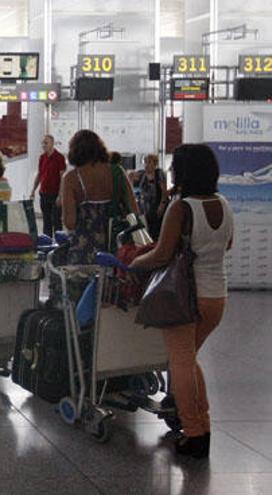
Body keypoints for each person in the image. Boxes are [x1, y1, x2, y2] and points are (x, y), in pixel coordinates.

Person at [130, 144, 233, 459]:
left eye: (175, 166)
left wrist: (134, 264)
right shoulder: (223, 203)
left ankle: (194, 435)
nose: (172, 171)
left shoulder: (181, 207)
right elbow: (226, 245)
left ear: (185, 171)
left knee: (181, 362)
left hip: (185, 297)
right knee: (189, 360)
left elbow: (162, 253)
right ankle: (202, 425)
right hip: (217, 296)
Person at [60, 130, 138, 265]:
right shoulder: (117, 171)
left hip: (84, 249)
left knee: (82, 284)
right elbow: (134, 211)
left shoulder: (71, 178)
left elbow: (70, 222)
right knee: (114, 282)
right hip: (116, 246)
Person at [30, 135, 67, 237]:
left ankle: (60, 245)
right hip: (44, 193)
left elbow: (62, 177)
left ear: (52, 143)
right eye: (43, 143)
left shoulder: (59, 157)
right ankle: (47, 243)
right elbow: (39, 174)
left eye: (46, 143)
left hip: (55, 194)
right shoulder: (42, 158)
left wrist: (60, 195)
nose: (43, 145)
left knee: (56, 220)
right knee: (46, 220)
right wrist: (33, 190)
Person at [133, 153, 166, 240]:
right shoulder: (142, 174)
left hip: (156, 206)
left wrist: (162, 205)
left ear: (155, 164)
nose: (146, 165)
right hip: (144, 208)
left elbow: (164, 192)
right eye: (145, 162)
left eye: (149, 162)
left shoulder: (159, 174)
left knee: (156, 230)